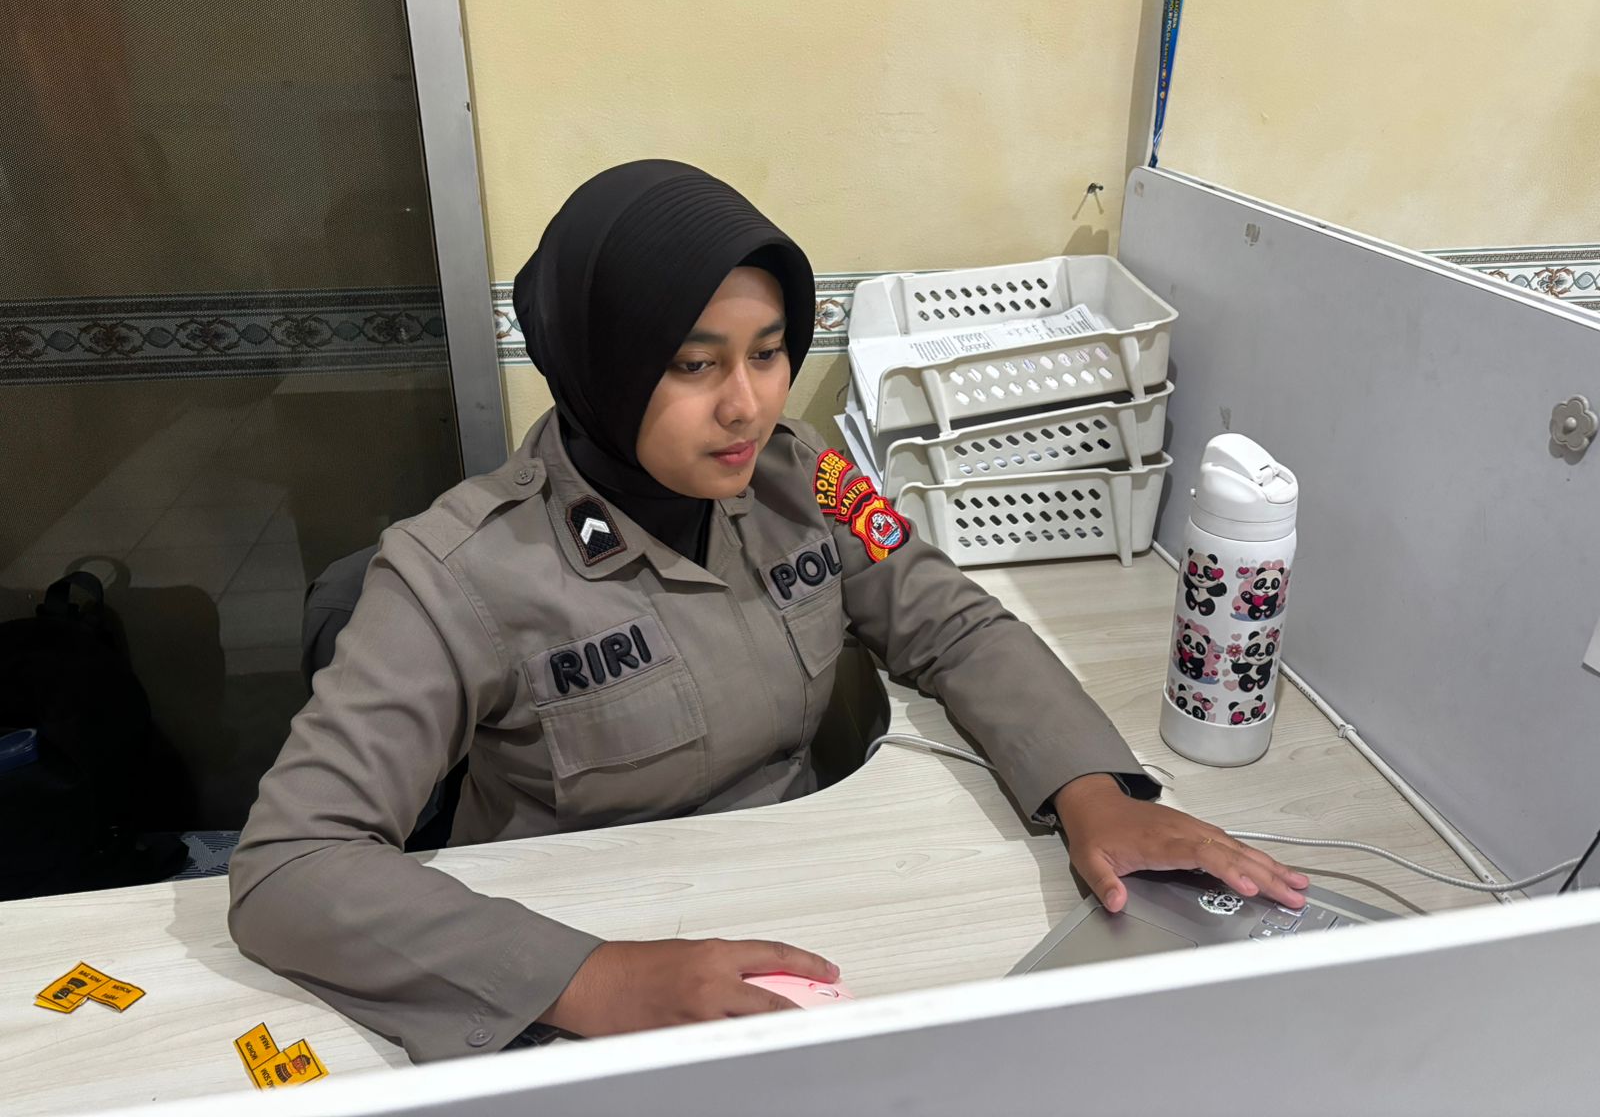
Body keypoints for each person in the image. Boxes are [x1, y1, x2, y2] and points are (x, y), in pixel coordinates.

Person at [228, 160, 1308, 1063]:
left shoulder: (809, 478)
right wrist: (590, 978)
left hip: (797, 928)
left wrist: (1092, 792)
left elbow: (950, 619)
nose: (747, 404)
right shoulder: (456, 572)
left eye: (768, 352)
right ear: (600, 363)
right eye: (693, 364)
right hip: (577, 973)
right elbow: (289, 865)